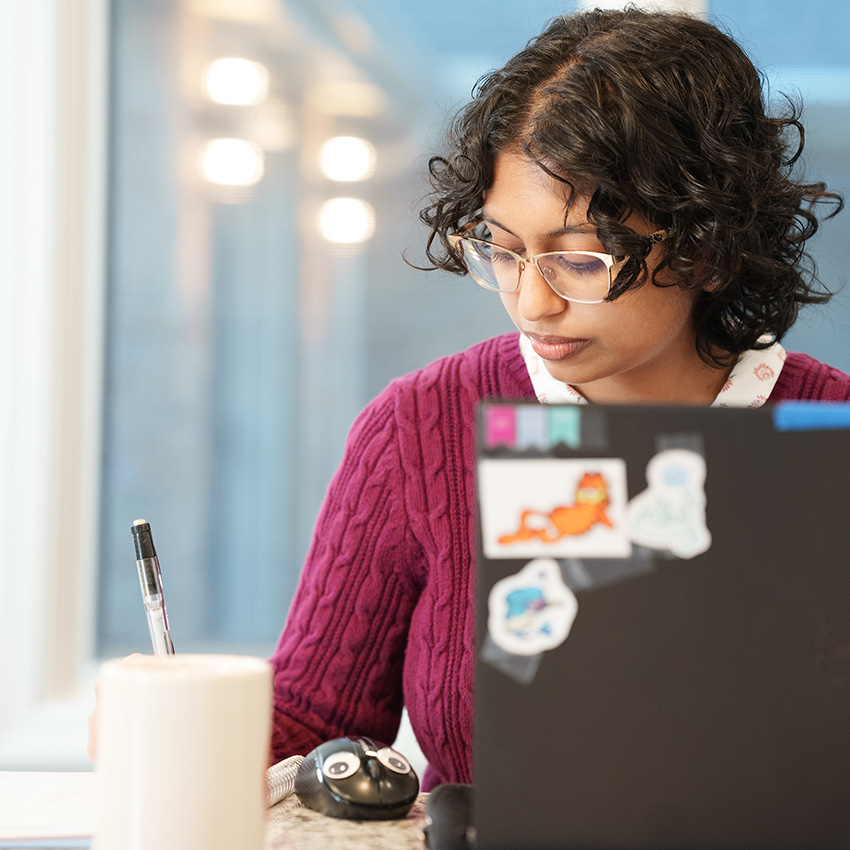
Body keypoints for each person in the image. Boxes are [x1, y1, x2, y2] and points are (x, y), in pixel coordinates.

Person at [90, 8, 850, 786]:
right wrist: (183, 724)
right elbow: (314, 726)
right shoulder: (420, 427)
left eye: (580, 261)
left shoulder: (833, 439)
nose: (532, 305)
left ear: (709, 248)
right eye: (505, 251)